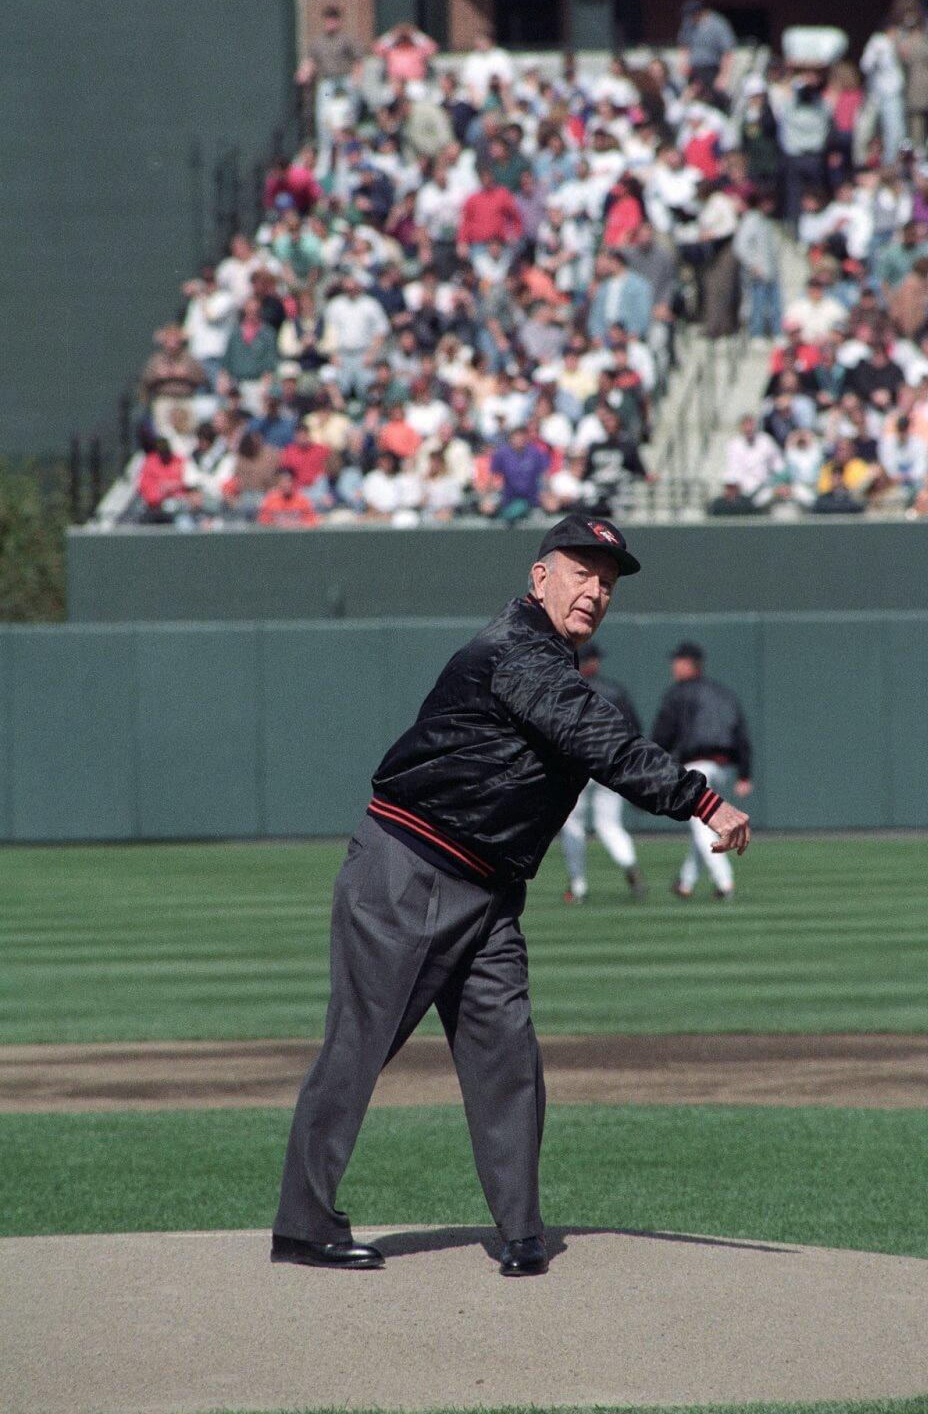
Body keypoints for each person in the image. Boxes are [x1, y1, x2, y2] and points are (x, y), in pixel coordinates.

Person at [271, 516, 750, 1278]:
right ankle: (302, 1223)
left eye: (607, 580)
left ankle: (520, 1229)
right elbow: (598, 739)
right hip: (410, 866)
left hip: (490, 891)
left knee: (507, 1060)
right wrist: (700, 798)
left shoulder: (549, 659)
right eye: (581, 570)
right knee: (358, 1048)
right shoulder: (516, 649)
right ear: (539, 578)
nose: (594, 589)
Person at [651, 641, 753, 900]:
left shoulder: (679, 694)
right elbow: (741, 735)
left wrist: (651, 766)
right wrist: (744, 773)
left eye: (677, 661)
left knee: (701, 824)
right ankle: (686, 882)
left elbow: (664, 734)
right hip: (723, 767)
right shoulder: (724, 694)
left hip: (697, 766)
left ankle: (724, 882)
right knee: (703, 821)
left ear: (687, 663)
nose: (673, 666)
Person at [558, 643, 648, 904]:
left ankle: (578, 886)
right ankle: (629, 864)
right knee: (609, 824)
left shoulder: (566, 690)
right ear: (594, 662)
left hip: (577, 766)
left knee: (573, 825)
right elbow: (634, 731)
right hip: (610, 765)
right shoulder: (616, 691)